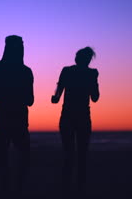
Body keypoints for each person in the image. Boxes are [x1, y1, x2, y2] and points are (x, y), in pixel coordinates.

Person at [0, 35, 34, 195]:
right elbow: (30, 100)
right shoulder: (25, 71)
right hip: (19, 117)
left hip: (0, 116)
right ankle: (19, 189)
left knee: (2, 156)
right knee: (23, 155)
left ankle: (5, 189)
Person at [51, 47, 99, 196]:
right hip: (83, 116)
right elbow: (95, 97)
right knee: (82, 154)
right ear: (88, 60)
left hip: (68, 116)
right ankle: (80, 186)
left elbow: (58, 93)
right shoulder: (91, 73)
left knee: (69, 152)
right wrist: (94, 81)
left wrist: (56, 98)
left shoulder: (67, 71)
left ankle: (67, 185)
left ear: (78, 58)